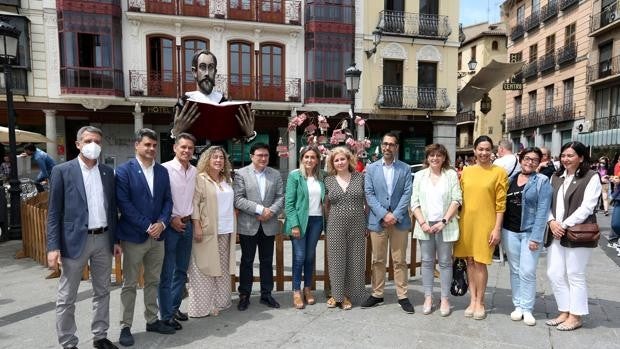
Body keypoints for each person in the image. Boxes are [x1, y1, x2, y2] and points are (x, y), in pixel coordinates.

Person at [47, 126, 120, 349]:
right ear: (78, 144)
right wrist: (53, 246)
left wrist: (115, 240)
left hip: (103, 239)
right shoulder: (62, 171)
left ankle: (100, 336)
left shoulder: (108, 172)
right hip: (73, 242)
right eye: (88, 141)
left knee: (103, 291)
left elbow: (111, 209)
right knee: (67, 296)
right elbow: (53, 213)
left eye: (97, 141)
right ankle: (68, 342)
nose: (93, 145)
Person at [116, 128, 174, 346]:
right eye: (147, 144)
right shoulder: (123, 171)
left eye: (154, 145)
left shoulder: (162, 171)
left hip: (158, 236)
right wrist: (148, 226)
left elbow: (168, 201)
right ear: (136, 145)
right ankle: (125, 326)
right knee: (130, 284)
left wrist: (162, 223)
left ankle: (152, 320)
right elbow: (124, 203)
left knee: (153, 280)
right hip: (134, 236)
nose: (151, 148)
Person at [545, 141, 602, 331]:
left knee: (575, 274)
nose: (566, 159)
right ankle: (564, 310)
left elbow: (588, 207)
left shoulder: (591, 177)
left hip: (578, 232)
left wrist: (564, 224)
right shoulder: (556, 176)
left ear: (581, 157)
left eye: (570, 155)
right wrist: (552, 221)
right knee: (554, 272)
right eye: (563, 155)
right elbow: (547, 203)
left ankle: (576, 316)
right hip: (556, 231)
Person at [454, 135, 508, 320]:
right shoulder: (466, 172)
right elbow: (458, 198)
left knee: (480, 262)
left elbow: (501, 204)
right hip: (467, 222)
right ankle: (472, 300)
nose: (484, 152)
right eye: (480, 149)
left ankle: (481, 302)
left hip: (487, 223)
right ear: (474, 151)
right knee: (469, 261)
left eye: (487, 149)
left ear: (492, 151)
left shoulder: (499, 172)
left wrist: (497, 228)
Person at [362, 132, 414, 314]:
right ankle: (377, 293)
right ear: (381, 145)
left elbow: (407, 193)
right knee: (378, 259)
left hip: (399, 221)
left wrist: (395, 215)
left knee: (399, 260)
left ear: (397, 147)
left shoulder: (405, 169)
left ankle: (402, 295)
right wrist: (384, 215)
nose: (387, 147)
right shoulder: (371, 169)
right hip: (378, 221)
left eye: (391, 144)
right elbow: (369, 194)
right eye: (385, 144)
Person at [501, 147, 552, 326]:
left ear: (539, 163)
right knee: (515, 270)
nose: (530, 162)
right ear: (521, 159)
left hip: (530, 232)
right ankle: (518, 306)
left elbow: (543, 211)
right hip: (509, 231)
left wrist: (536, 237)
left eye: (535, 160)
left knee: (528, 271)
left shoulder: (542, 181)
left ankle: (528, 308)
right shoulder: (510, 179)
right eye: (527, 158)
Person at [410, 144, 462, 317]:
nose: (435, 158)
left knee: (446, 262)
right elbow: (414, 202)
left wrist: (444, 221)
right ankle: (428, 297)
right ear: (427, 158)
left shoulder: (451, 175)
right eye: (431, 155)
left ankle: (445, 298)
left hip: (445, 224)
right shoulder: (419, 176)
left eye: (439, 155)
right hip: (425, 225)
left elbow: (457, 199)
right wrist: (423, 222)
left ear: (444, 158)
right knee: (426, 261)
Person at [233, 142, 284, 311]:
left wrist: (270, 212)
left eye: (266, 155)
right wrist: (260, 209)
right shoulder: (241, 174)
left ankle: (266, 294)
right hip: (248, 224)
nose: (263, 158)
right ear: (251, 156)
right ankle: (244, 294)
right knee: (247, 261)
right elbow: (238, 199)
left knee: (267, 261)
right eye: (259, 155)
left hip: (268, 224)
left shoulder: (275, 174)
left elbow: (280, 197)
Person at [189, 146, 237, 317]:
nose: (218, 160)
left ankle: (220, 302)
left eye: (221, 157)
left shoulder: (227, 180)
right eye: (214, 157)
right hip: (207, 230)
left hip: (226, 230)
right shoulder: (200, 179)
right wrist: (196, 225)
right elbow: (194, 203)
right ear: (207, 160)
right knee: (204, 267)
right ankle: (202, 307)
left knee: (222, 268)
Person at [171, 49, 256, 143]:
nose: (207, 73)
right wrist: (176, 131)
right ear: (194, 72)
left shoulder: (225, 103)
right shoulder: (184, 103)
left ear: (215, 72)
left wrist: (249, 134)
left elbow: (239, 143)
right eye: (202, 67)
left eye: (211, 67)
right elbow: (170, 142)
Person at [158, 133, 197, 330]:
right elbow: (160, 199)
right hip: (170, 226)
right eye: (183, 147)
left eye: (190, 148)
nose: (186, 151)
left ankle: (173, 308)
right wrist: (170, 218)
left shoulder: (194, 171)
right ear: (175, 148)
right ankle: (165, 314)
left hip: (188, 224)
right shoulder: (164, 169)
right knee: (168, 271)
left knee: (181, 270)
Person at [323, 146, 367, 309]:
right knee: (336, 261)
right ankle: (337, 296)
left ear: (349, 160)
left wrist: (367, 223)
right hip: (335, 224)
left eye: (342, 159)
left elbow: (367, 203)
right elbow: (325, 205)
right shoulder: (327, 180)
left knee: (355, 260)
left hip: (357, 223)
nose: (340, 162)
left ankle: (350, 294)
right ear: (332, 163)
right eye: (336, 160)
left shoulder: (359, 178)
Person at [284, 146, 325, 309]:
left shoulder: (322, 176)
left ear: (317, 160)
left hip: (317, 221)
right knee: (299, 257)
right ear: (301, 159)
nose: (309, 160)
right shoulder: (295, 176)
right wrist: (294, 224)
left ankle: (307, 288)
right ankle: (296, 290)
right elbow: (289, 203)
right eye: (306, 157)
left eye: (313, 157)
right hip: (300, 222)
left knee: (309, 257)